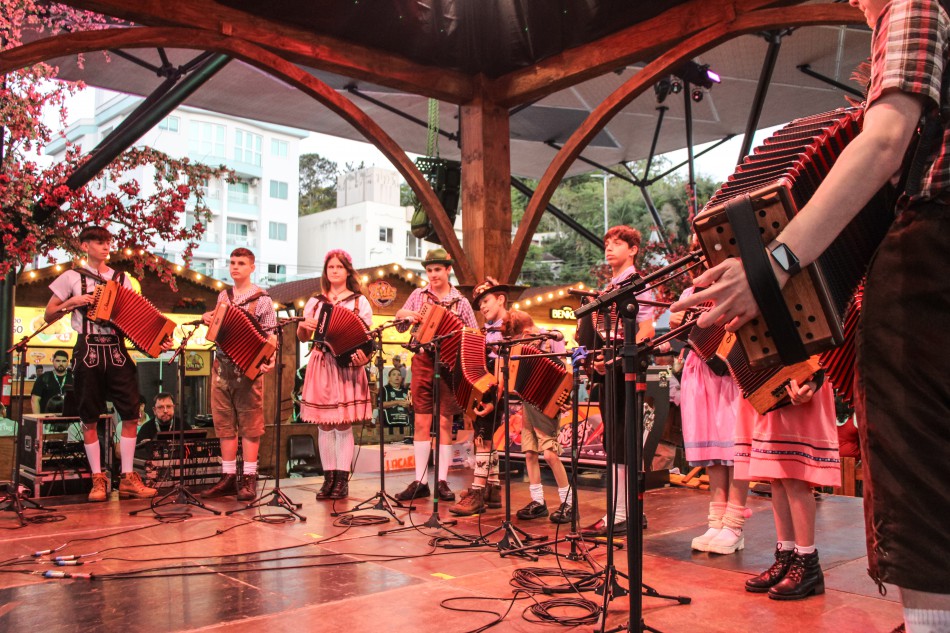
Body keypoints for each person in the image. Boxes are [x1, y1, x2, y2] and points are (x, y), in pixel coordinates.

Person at [671, 1, 950, 627]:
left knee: (920, 471)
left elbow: (882, 142)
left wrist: (772, 265)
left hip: (934, 246)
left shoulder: (911, 3)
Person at [43, 225, 162, 501]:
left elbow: (136, 318)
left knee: (132, 413)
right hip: (88, 349)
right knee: (89, 417)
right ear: (84, 246)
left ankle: (129, 476)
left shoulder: (123, 279)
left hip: (117, 349)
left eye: (108, 241)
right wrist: (72, 301)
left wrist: (156, 340)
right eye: (98, 241)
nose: (105, 246)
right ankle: (98, 478)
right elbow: (49, 314)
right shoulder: (71, 277)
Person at [581, 225, 655, 538]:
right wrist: (599, 359)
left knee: (624, 441)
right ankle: (621, 512)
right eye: (607, 243)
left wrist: (617, 357)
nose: (609, 248)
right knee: (615, 441)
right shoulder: (610, 286)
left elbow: (647, 330)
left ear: (633, 249)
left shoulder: (638, 284)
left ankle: (624, 514)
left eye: (617, 243)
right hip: (612, 370)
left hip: (627, 370)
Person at [739, 374, 839, 600]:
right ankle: (786, 556)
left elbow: (828, 347)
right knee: (777, 476)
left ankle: (807, 562)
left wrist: (814, 381)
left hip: (803, 379)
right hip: (774, 383)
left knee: (795, 476)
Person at [393, 248, 478, 502]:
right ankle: (419, 481)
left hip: (448, 364)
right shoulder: (419, 295)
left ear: (447, 269)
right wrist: (409, 315)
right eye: (429, 270)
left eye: (437, 269)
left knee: (443, 423)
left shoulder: (460, 301)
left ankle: (441, 480)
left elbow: (473, 334)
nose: (433, 275)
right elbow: (399, 322)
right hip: (422, 359)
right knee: (421, 422)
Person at [671, 287, 748, 555]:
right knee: (713, 450)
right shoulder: (692, 291)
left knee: (734, 444)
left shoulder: (736, 279)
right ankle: (716, 520)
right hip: (699, 366)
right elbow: (678, 327)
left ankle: (734, 523)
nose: (699, 251)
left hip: (731, 365)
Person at [200, 247, 276, 502]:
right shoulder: (224, 295)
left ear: (252, 267)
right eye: (232, 262)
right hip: (221, 366)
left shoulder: (263, 299)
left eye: (241, 263)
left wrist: (270, 358)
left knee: (250, 424)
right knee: (224, 424)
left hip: (248, 368)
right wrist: (206, 317)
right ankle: (229, 476)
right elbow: (219, 325)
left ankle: (249, 477)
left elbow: (271, 336)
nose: (235, 267)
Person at [297, 249, 372, 501]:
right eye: (331, 267)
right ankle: (328, 478)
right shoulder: (315, 302)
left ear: (348, 271)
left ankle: (342, 479)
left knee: (342, 421)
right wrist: (302, 328)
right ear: (326, 272)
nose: (335, 271)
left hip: (346, 365)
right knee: (324, 423)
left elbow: (366, 340)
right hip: (321, 362)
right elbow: (303, 337)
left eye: (339, 267)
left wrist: (365, 357)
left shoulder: (360, 302)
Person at [505, 309, 574, 524]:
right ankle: (538, 502)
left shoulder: (552, 338)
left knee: (551, 454)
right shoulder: (523, 346)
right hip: (529, 403)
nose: (521, 343)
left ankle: (569, 503)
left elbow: (564, 371)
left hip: (547, 405)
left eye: (521, 339)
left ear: (527, 331)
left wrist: (564, 395)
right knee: (529, 453)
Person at [30, 350, 73, 414]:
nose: (61, 363)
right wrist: (38, 419)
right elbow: (34, 400)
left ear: (67, 362)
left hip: (69, 419)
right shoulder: (43, 378)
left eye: (64, 361)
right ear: (53, 361)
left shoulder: (73, 379)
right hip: (46, 419)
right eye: (58, 361)